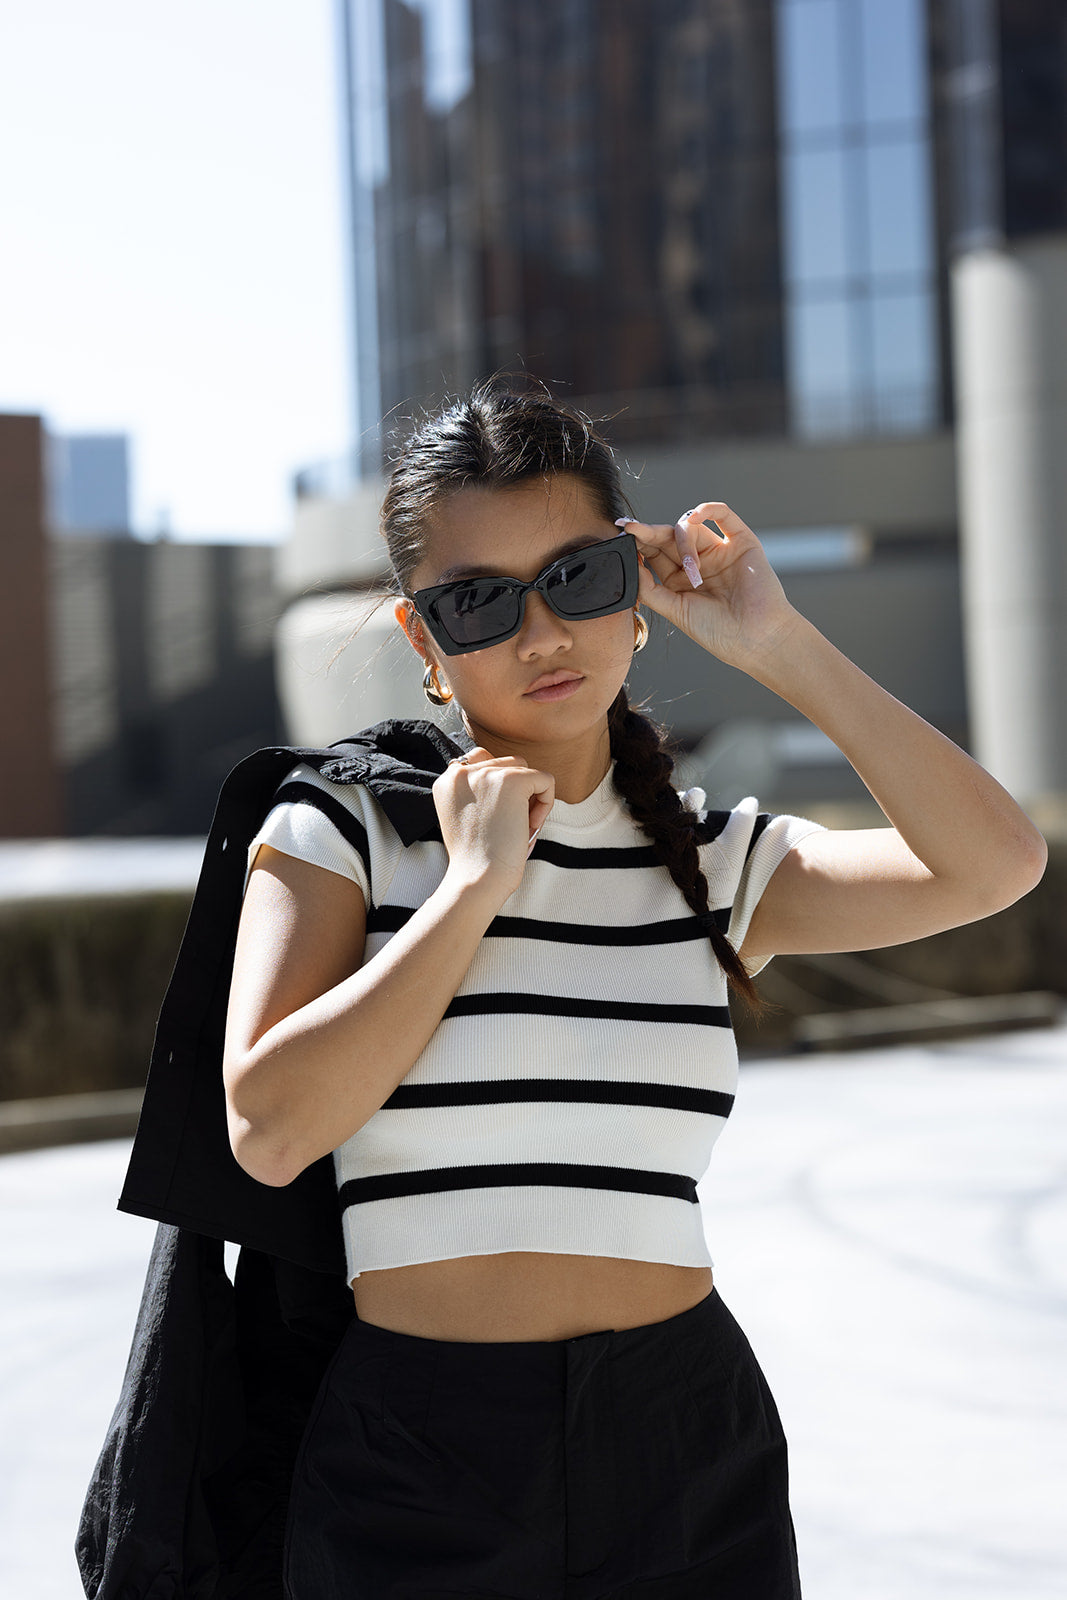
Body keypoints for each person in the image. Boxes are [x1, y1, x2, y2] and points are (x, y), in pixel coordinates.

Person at [222, 377, 1046, 1599]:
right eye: (477, 603)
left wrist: (773, 641)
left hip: (683, 1443)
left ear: (633, 581)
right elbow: (269, 1127)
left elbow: (995, 863)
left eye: (577, 578)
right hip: (418, 1458)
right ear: (423, 641)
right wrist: (469, 891)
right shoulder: (346, 826)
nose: (541, 634)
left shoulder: (706, 858)